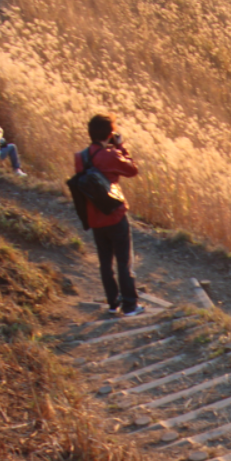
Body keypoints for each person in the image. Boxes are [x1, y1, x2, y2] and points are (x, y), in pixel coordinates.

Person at [75, 114, 142, 317]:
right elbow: (132, 170)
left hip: (94, 216)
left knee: (105, 261)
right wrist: (120, 147)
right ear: (110, 134)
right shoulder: (111, 155)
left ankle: (113, 303)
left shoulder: (81, 157)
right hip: (114, 214)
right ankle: (130, 305)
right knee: (123, 261)